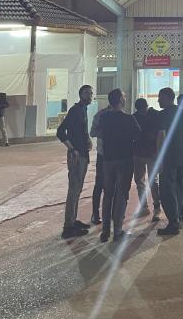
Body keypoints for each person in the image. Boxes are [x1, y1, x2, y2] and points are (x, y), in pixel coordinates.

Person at [99, 88, 141, 243]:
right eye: (124, 96)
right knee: (122, 194)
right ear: (121, 100)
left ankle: (105, 231)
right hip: (124, 159)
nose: (125, 98)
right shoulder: (128, 118)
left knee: (108, 194)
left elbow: (99, 133)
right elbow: (137, 135)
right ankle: (117, 231)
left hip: (108, 159)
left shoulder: (104, 118)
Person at [157, 87, 183, 236]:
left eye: (160, 98)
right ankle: (176, 218)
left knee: (167, 192)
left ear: (168, 98)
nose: (158, 100)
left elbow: (161, 137)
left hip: (169, 159)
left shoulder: (163, 115)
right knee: (179, 189)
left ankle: (173, 223)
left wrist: (159, 159)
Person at [57, 84, 94, 239]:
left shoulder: (83, 110)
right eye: (87, 93)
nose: (90, 96)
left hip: (83, 154)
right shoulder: (75, 110)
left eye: (91, 93)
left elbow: (80, 130)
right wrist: (72, 149)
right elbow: (61, 131)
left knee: (77, 189)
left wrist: (88, 139)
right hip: (76, 156)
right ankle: (68, 227)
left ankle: (73, 220)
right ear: (80, 94)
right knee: (73, 190)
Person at [132, 98, 161, 221]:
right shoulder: (153, 115)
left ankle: (154, 208)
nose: (142, 112)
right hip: (143, 153)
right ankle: (150, 208)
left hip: (147, 153)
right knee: (143, 181)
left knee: (150, 181)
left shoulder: (153, 115)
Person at [89, 102, 111, 225]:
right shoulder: (101, 115)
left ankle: (113, 212)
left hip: (116, 156)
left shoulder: (121, 115)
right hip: (103, 155)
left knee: (114, 185)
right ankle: (95, 213)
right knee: (100, 184)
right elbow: (92, 132)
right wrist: (106, 133)